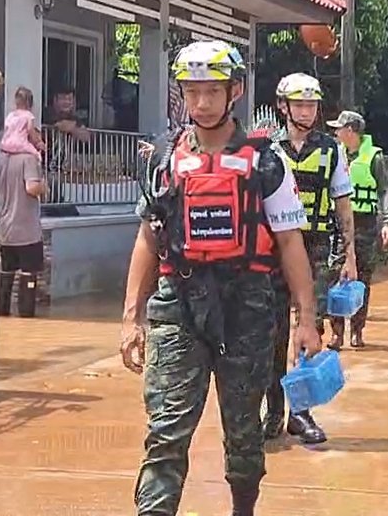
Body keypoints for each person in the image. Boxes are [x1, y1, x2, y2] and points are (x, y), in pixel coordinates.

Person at [118, 40, 322, 516]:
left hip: (245, 307)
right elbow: (148, 240)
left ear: (236, 91)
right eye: (192, 92)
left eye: (212, 91)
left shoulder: (266, 161)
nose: (202, 103)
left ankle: (243, 507)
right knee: (165, 431)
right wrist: (131, 318)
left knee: (244, 434)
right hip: (178, 305)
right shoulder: (164, 161)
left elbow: (291, 243)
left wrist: (306, 319)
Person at [263, 72, 358, 445]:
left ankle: (299, 413)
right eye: (299, 103)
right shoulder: (268, 150)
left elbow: (343, 203)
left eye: (312, 103)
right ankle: (272, 412)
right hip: (271, 250)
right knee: (270, 332)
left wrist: (349, 254)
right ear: (283, 106)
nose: (307, 110)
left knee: (309, 327)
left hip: (314, 248)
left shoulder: (331, 149)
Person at [326, 110, 388, 348]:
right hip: (339, 224)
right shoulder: (335, 155)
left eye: (339, 128)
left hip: (365, 223)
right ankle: (336, 332)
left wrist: (387, 221)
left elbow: (385, 191)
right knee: (335, 276)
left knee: (362, 279)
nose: (335, 133)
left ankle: (357, 329)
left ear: (351, 131)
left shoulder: (374, 157)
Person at [0, 90, 48, 318]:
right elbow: (31, 188)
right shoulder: (28, 159)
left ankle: (2, 316)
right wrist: (44, 187)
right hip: (27, 231)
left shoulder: (1, 157)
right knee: (29, 277)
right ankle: (27, 320)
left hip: (5, 229)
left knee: (5, 276)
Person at [0, 86, 46, 159]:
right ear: (29, 103)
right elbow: (30, 130)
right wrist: (38, 142)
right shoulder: (28, 115)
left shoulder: (11, 115)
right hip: (20, 144)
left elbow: (6, 128)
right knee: (36, 155)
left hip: (6, 144)